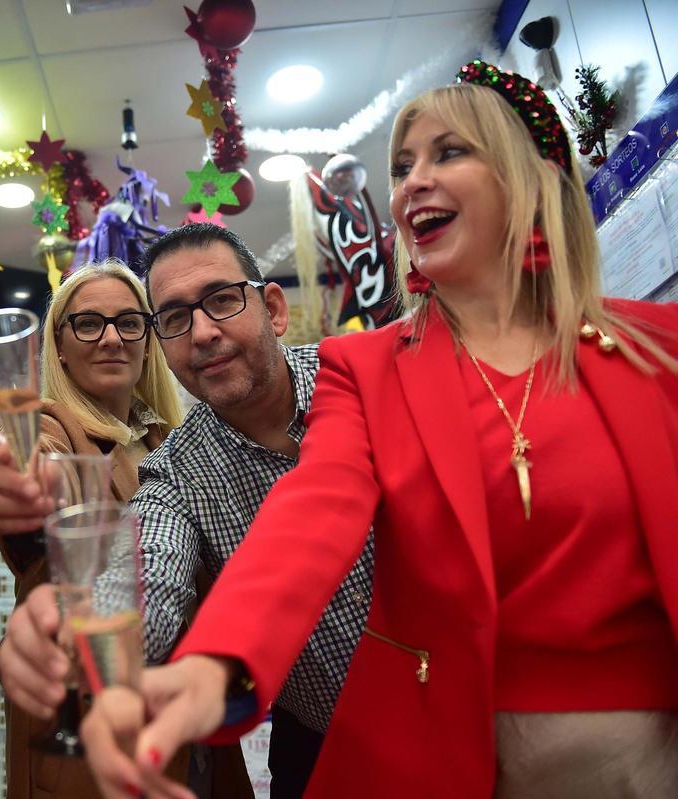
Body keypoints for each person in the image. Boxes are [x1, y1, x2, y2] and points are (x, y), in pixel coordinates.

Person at [80, 61, 678, 799]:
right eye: (401, 166)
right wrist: (173, 658)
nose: (411, 182)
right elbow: (296, 523)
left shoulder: (659, 349)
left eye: (448, 153)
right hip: (400, 751)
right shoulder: (364, 375)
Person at [0, 224, 374, 797]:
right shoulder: (176, 469)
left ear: (273, 308)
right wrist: (85, 639)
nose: (201, 333)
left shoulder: (360, 380)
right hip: (319, 751)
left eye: (222, 301)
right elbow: (147, 570)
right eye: (174, 317)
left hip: (474, 713)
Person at [0, 259, 189, 799]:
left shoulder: (173, 442)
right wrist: (29, 481)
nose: (112, 338)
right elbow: (37, 460)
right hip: (83, 736)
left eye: (128, 322)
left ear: (148, 339)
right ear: (60, 347)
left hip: (182, 724)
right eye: (89, 323)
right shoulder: (53, 426)